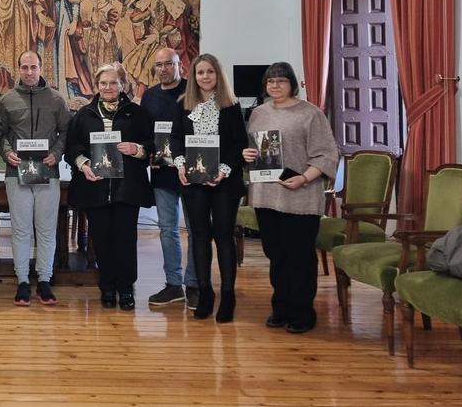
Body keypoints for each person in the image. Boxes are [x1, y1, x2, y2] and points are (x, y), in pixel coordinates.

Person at [242, 62, 339, 334]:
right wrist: (246, 155)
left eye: (281, 81)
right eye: (270, 81)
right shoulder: (258, 113)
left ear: (292, 84)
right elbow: (254, 150)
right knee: (276, 256)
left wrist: (305, 178)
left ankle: (303, 313)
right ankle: (280, 307)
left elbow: (327, 154)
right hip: (266, 197)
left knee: (300, 259)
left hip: (301, 196)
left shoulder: (311, 114)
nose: (275, 86)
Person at [65, 64, 155, 311]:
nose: (108, 87)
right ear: (97, 85)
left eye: (113, 83)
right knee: (101, 240)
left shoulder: (137, 113)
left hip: (127, 188)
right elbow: (72, 147)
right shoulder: (85, 114)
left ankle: (126, 288)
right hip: (94, 187)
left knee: (125, 240)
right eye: (103, 83)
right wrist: (83, 165)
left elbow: (151, 144)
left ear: (123, 85)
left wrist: (136, 149)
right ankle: (107, 287)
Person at [0, 50, 70, 306]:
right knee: (21, 231)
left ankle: (44, 280)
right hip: (17, 174)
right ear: (18, 69)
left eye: (33, 67)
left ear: (41, 68)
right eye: (24, 67)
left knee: (46, 231)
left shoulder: (56, 100)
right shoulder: (8, 100)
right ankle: (22, 281)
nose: (29, 72)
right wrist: (8, 152)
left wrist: (57, 153)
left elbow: (66, 131)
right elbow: (0, 133)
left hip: (48, 173)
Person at [170, 53, 248, 323]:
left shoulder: (231, 105)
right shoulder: (184, 104)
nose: (205, 77)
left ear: (218, 75)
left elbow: (239, 143)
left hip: (225, 183)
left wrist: (224, 170)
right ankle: (205, 293)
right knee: (199, 238)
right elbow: (176, 139)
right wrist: (180, 165)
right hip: (194, 182)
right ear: (193, 76)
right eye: (200, 72)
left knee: (224, 238)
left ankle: (228, 296)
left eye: (210, 72)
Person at [139, 48, 199, 310]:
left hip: (193, 172)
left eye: (168, 64)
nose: (163, 69)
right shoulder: (149, 96)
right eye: (159, 65)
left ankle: (195, 283)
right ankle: (173, 283)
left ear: (180, 66)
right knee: (167, 230)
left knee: (196, 230)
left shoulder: (194, 92)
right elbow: (144, 132)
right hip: (163, 171)